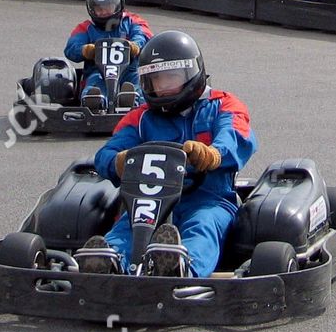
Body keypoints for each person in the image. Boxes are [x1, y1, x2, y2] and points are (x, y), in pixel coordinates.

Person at [78, 31, 255, 278]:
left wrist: (213, 154)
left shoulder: (223, 105)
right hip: (146, 203)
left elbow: (237, 136)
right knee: (125, 230)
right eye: (155, 81)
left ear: (191, 72)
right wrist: (118, 162)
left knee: (202, 226)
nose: (162, 88)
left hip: (208, 199)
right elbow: (106, 154)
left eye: (170, 77)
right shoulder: (140, 118)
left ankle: (181, 270)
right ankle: (109, 264)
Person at [63, 0, 151, 111]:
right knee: (94, 84)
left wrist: (135, 45)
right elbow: (71, 47)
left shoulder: (132, 21)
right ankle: (95, 103)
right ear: (91, 8)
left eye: (107, 7)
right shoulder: (86, 28)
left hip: (129, 70)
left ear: (118, 4)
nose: (103, 12)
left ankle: (133, 101)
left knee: (137, 82)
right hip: (97, 71)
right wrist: (86, 50)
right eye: (99, 8)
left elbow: (144, 35)